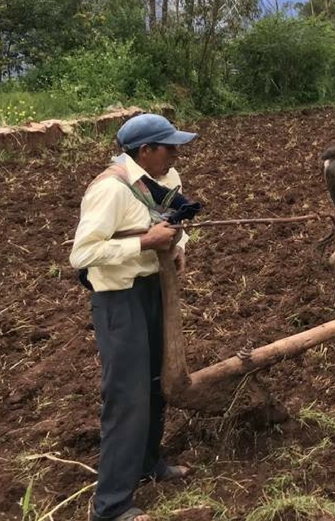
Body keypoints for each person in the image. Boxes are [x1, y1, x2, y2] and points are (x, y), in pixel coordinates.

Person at [70, 113, 199, 521]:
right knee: (126, 395)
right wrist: (145, 242)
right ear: (145, 151)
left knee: (157, 382)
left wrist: (178, 245)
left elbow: (175, 224)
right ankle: (111, 505)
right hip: (119, 297)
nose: (176, 153)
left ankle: (149, 464)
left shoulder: (167, 178)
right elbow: (83, 254)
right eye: (169, 146)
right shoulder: (109, 190)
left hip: (154, 289)